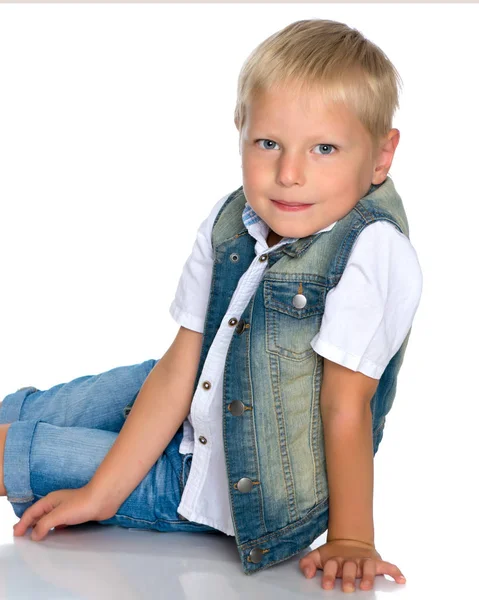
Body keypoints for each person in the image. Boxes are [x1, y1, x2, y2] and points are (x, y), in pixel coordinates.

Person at [1, 19, 422, 593]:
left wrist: (352, 538)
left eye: (324, 149)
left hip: (218, 482)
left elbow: (346, 408)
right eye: (268, 143)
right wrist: (102, 490)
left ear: (380, 156)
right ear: (241, 131)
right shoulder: (234, 219)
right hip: (195, 396)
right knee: (69, 401)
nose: (289, 173)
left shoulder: (372, 251)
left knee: (16, 451)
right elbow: (180, 368)